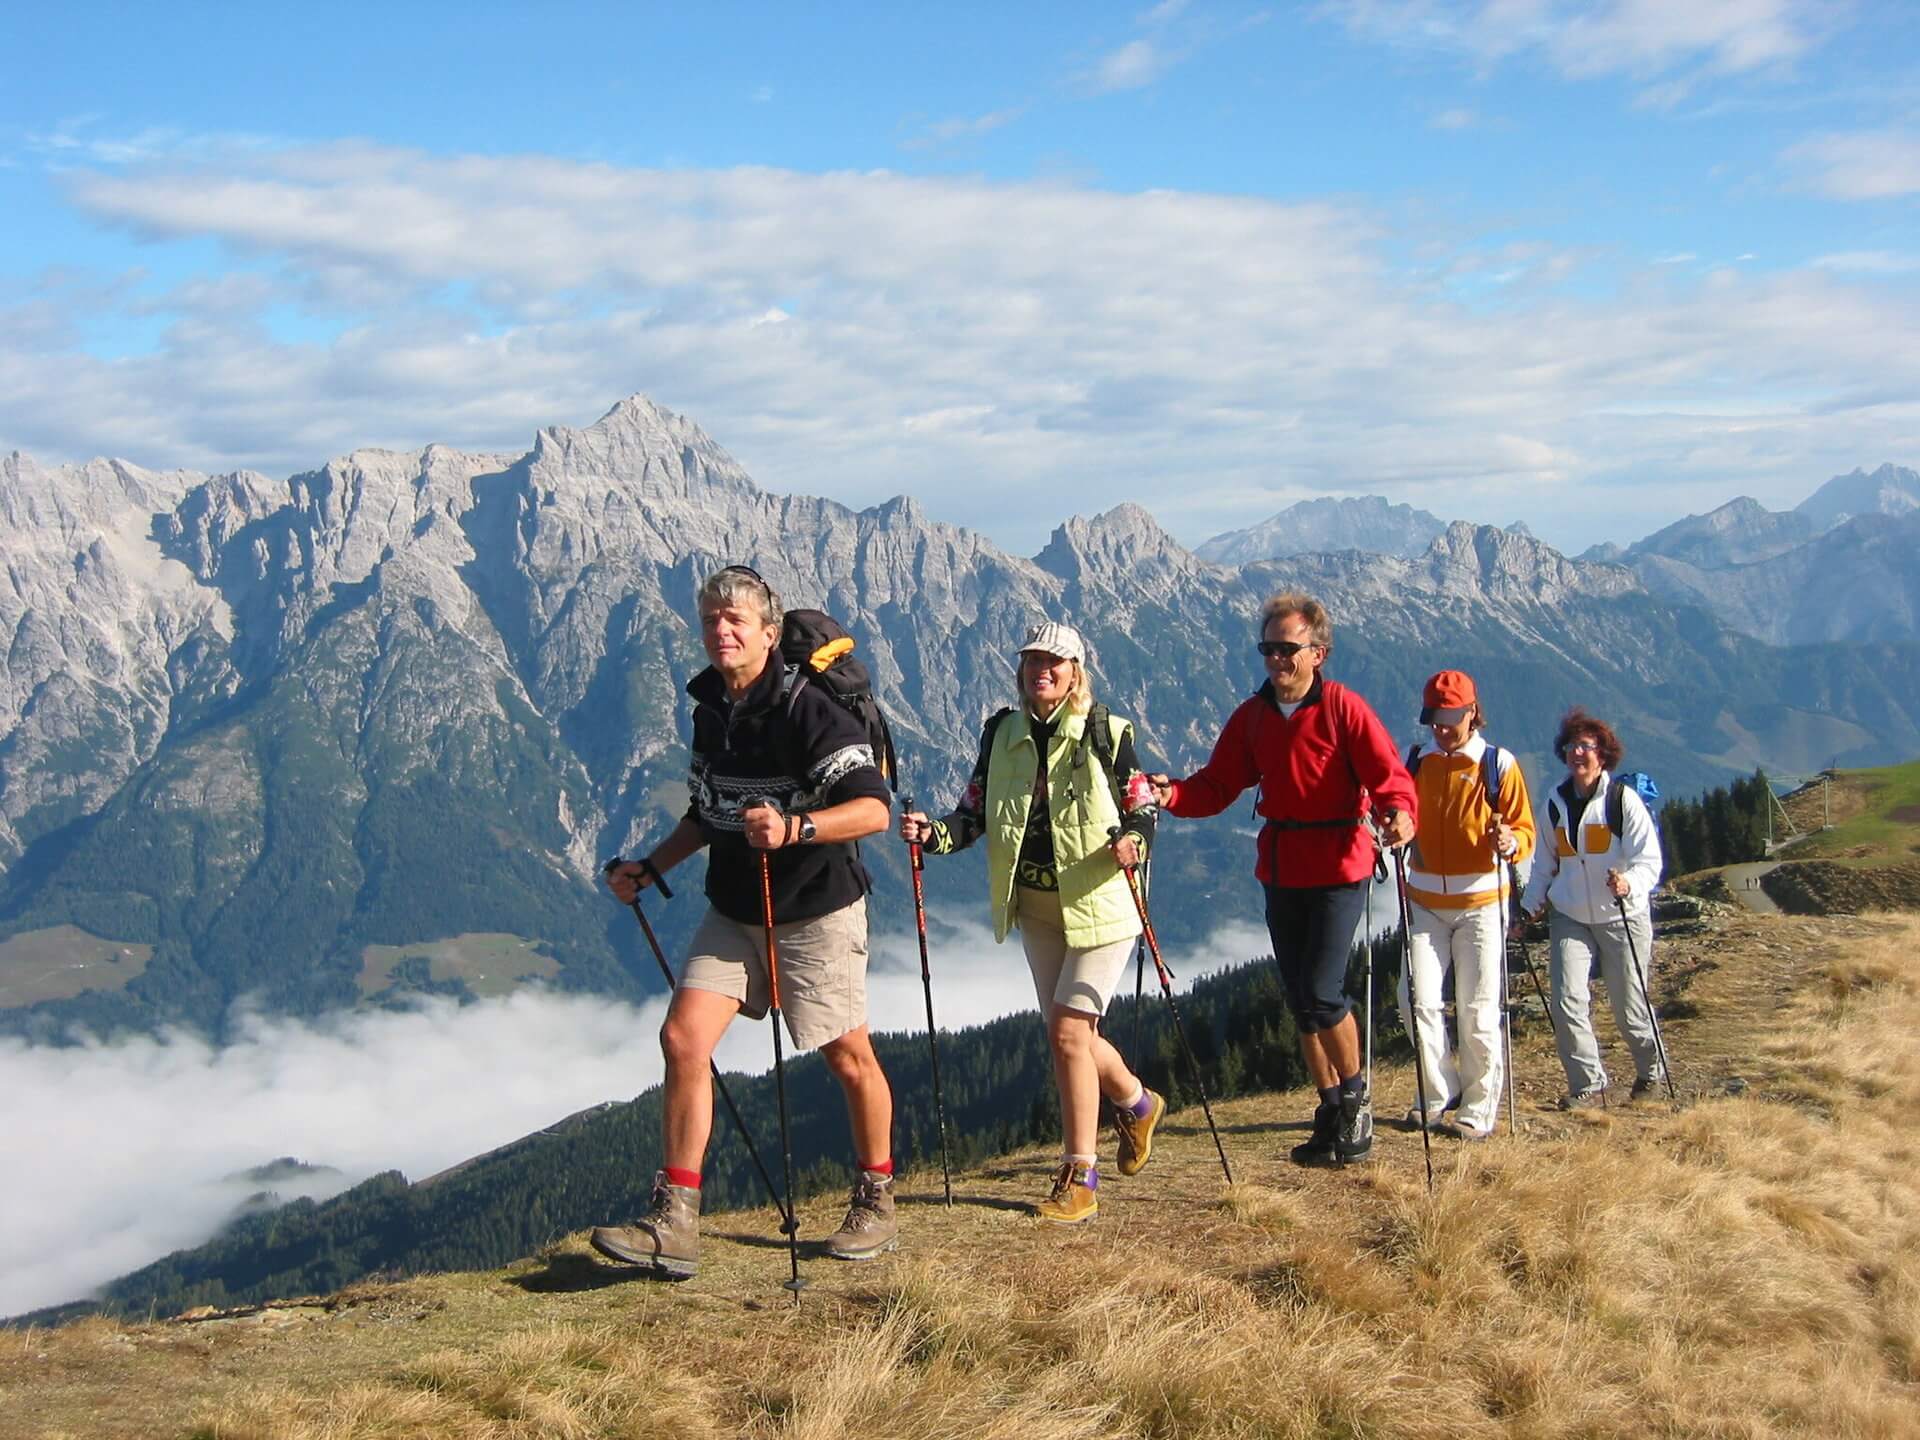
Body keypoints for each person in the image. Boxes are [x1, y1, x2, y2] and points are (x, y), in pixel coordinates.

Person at [592, 565, 896, 1277]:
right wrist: (650, 868)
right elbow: (706, 813)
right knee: (682, 1039)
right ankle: (675, 1220)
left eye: (736, 620)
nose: (721, 631)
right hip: (734, 907)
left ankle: (876, 1196)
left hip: (816, 909)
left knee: (847, 1055)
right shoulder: (711, 708)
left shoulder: (808, 709)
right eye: (711, 620)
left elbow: (873, 808)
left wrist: (796, 829)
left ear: (768, 633)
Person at [899, 621, 1165, 1224]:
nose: (1041, 670)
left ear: (1075, 673)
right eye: (1032, 661)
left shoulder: (1106, 730)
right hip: (1038, 908)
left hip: (1103, 906)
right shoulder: (1001, 734)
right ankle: (1138, 1103)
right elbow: (972, 814)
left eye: (1054, 662)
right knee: (1072, 1035)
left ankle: (1080, 1175)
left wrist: (1135, 840)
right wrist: (931, 835)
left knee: (1068, 1034)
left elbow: (1143, 803)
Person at [1149, 592, 1416, 1167]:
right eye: (1267, 648)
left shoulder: (1344, 709)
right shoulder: (1254, 716)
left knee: (1322, 992)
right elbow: (1217, 785)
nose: (1275, 659)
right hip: (1283, 866)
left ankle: (1356, 1101)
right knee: (1301, 1000)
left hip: (1339, 865)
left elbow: (1389, 775)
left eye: (1287, 649)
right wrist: (1169, 794)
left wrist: (1399, 813)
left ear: (1318, 652)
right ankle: (1331, 1109)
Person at [1398, 670, 1536, 1141]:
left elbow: (1525, 830)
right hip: (1424, 901)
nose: (1441, 728)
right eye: (1434, 719)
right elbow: (1399, 813)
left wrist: (1510, 841)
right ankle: (1438, 1091)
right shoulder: (1416, 762)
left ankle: (1479, 1106)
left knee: (1477, 1009)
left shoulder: (1497, 764)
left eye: (1450, 718)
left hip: (1481, 902)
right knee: (1414, 999)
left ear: (1473, 713)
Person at [1519, 707, 1665, 1108]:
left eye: (1585, 746)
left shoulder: (1622, 801)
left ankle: (1650, 1072)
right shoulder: (1554, 804)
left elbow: (1649, 861)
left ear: (1603, 754)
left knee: (1630, 1006)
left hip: (1622, 915)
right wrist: (1527, 909)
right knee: (1567, 1000)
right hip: (1570, 915)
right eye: (1571, 746)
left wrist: (1629, 884)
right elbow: (1544, 864)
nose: (1576, 753)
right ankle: (1587, 1085)